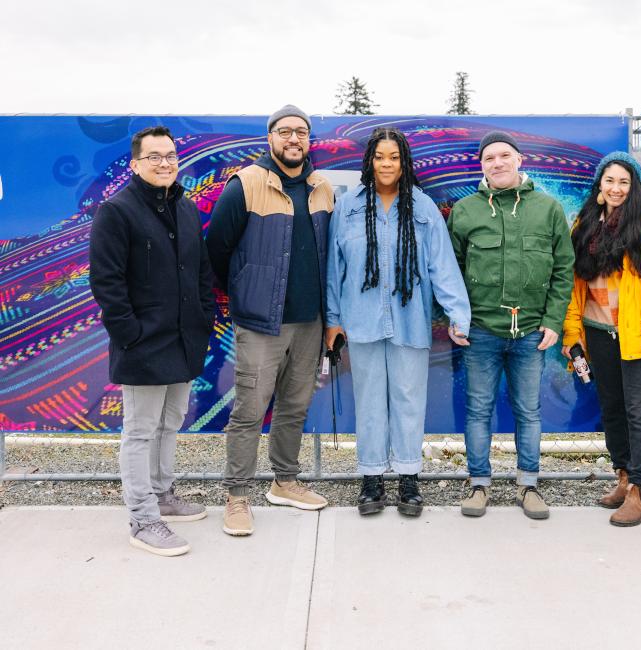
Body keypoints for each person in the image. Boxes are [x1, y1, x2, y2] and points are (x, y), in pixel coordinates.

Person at [326, 127, 470, 516]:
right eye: (380, 156)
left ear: (404, 162)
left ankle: (408, 478)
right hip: (361, 322)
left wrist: (459, 315)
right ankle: (371, 480)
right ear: (369, 161)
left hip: (410, 321)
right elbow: (333, 269)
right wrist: (332, 319)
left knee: (408, 400)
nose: (386, 164)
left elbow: (443, 266)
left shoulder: (421, 208)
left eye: (394, 157)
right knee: (370, 401)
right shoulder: (349, 206)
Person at [206, 105, 334, 536]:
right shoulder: (246, 184)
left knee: (294, 407)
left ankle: (286, 481)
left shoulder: (322, 188)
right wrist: (246, 289)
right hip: (261, 322)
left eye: (301, 131)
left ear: (309, 139)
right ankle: (237, 496)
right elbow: (217, 250)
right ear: (271, 138)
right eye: (285, 131)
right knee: (249, 410)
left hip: (310, 321)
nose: (293, 139)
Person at [89, 126, 215, 556]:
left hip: (182, 340)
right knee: (140, 431)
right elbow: (107, 283)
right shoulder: (117, 212)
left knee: (170, 423)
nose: (165, 163)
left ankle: (162, 494)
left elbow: (201, 271)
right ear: (136, 163)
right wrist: (130, 334)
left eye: (171, 155)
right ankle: (142, 518)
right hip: (142, 344)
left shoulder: (185, 208)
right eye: (155, 156)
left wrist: (203, 316)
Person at [448, 131, 575, 520]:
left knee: (529, 411)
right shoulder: (465, 211)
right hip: (481, 332)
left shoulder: (548, 209)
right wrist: (455, 317)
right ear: (481, 165)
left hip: (532, 334)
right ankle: (479, 485)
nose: (497, 163)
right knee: (478, 410)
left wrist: (554, 320)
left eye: (505, 156)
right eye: (489, 158)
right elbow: (449, 271)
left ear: (520, 160)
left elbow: (564, 269)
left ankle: (529, 485)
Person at [561, 151, 641, 527]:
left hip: (636, 337)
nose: (616, 188)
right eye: (609, 181)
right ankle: (623, 479)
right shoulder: (583, 226)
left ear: (634, 187)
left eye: (624, 182)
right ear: (599, 186)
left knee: (639, 412)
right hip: (598, 336)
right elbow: (575, 287)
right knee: (611, 409)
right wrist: (573, 334)